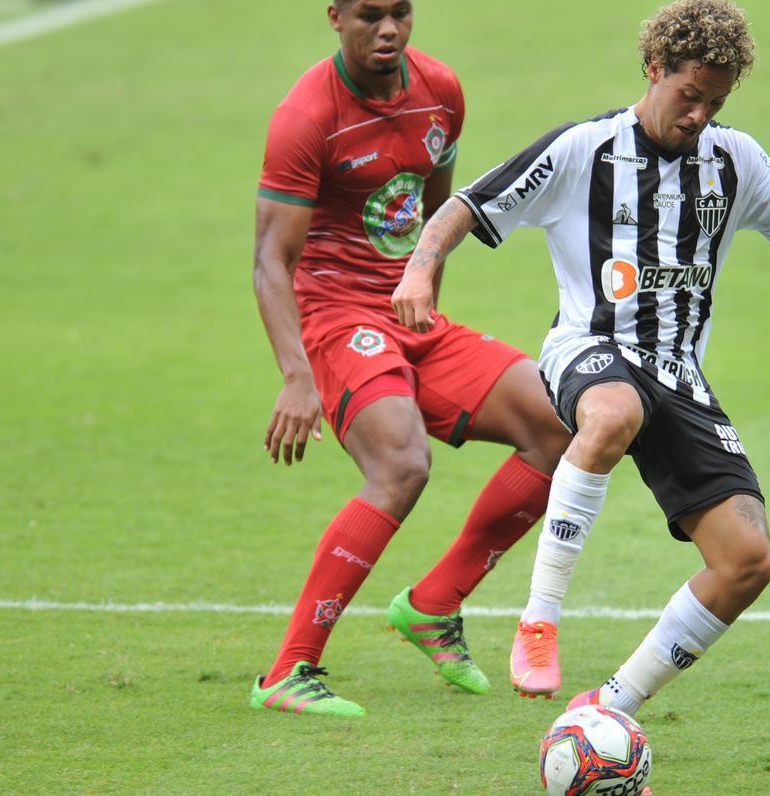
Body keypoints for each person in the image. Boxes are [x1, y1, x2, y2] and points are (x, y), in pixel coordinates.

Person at [392, 0, 770, 713]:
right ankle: (539, 621)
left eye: (716, 102)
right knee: (613, 414)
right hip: (590, 347)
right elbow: (468, 204)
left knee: (747, 562)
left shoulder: (736, 160)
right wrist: (420, 268)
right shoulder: (585, 149)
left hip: (680, 376)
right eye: (690, 95)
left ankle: (608, 708)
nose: (700, 115)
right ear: (654, 68)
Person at [248, 0, 571, 717]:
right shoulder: (306, 117)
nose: (388, 29)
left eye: (400, 12)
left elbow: (434, 220)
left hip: (406, 315)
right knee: (400, 466)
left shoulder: (441, 91)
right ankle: (287, 672)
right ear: (335, 16)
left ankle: (434, 604)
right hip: (335, 317)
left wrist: (422, 305)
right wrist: (297, 374)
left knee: (559, 424)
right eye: (370, 15)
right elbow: (271, 260)